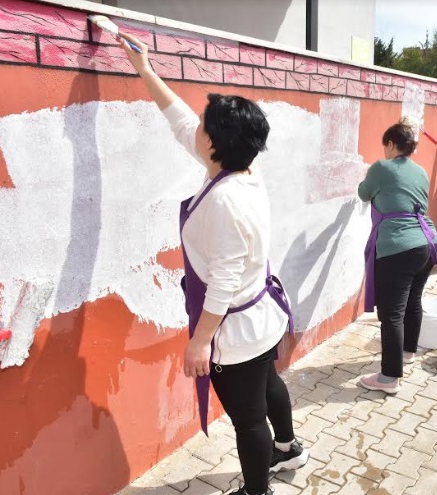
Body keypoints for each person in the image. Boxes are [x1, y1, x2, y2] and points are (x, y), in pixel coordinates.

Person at [117, 33, 307, 495]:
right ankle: (290, 448)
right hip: (262, 315)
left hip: (235, 328)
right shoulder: (242, 169)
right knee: (267, 385)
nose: (196, 127)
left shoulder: (224, 201)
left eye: (205, 125)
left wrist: (200, 343)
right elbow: (183, 124)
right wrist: (145, 69)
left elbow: (221, 282)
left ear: (216, 145)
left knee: (247, 420)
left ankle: (257, 490)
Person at [358, 119, 437, 394]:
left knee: (391, 314)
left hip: (398, 245)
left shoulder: (382, 167)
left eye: (385, 146)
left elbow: (363, 193)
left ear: (391, 144)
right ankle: (407, 353)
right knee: (413, 300)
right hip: (427, 242)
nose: (384, 151)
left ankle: (389, 378)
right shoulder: (420, 171)